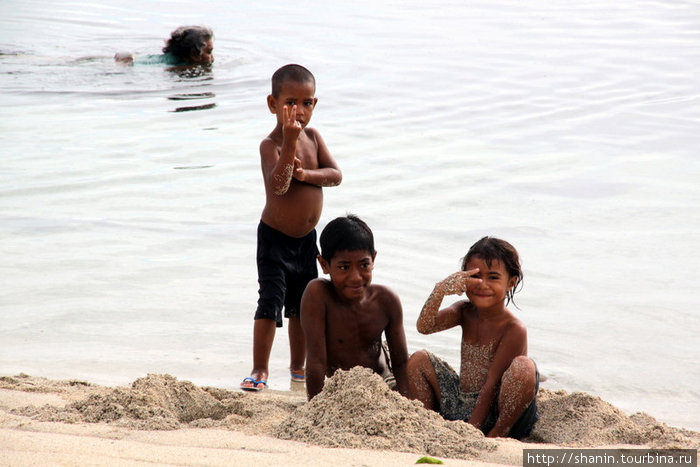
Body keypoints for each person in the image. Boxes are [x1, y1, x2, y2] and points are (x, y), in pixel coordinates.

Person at [240, 64, 342, 392]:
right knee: (270, 301)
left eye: (308, 102)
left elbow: (335, 175)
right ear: (273, 104)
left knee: (301, 305)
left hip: (306, 240)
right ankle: (260, 369)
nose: (299, 110)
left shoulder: (313, 138)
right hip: (274, 238)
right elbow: (280, 185)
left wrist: (307, 175)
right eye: (291, 103)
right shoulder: (270, 145)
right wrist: (291, 141)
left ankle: (298, 368)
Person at [406, 237, 539, 439]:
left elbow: (492, 384)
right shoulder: (464, 311)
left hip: (495, 410)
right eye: (475, 277)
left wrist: (472, 431)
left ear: (510, 283)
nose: (482, 285)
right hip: (462, 402)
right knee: (418, 360)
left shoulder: (513, 328)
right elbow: (424, 327)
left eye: (493, 277)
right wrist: (439, 291)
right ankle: (427, 423)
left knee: (524, 367)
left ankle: (497, 435)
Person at [300, 215, 409, 400]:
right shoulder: (318, 295)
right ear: (324, 265)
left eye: (364, 265)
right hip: (342, 387)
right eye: (344, 267)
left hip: (383, 381)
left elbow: (401, 363)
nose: (356, 277)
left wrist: (409, 404)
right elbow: (316, 361)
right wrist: (314, 407)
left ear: (373, 259)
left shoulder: (386, 300)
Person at [114, 25, 214, 66]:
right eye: (209, 52)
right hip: (128, 65)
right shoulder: (180, 67)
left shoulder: (166, 59)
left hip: (128, 60)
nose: (212, 58)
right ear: (194, 55)